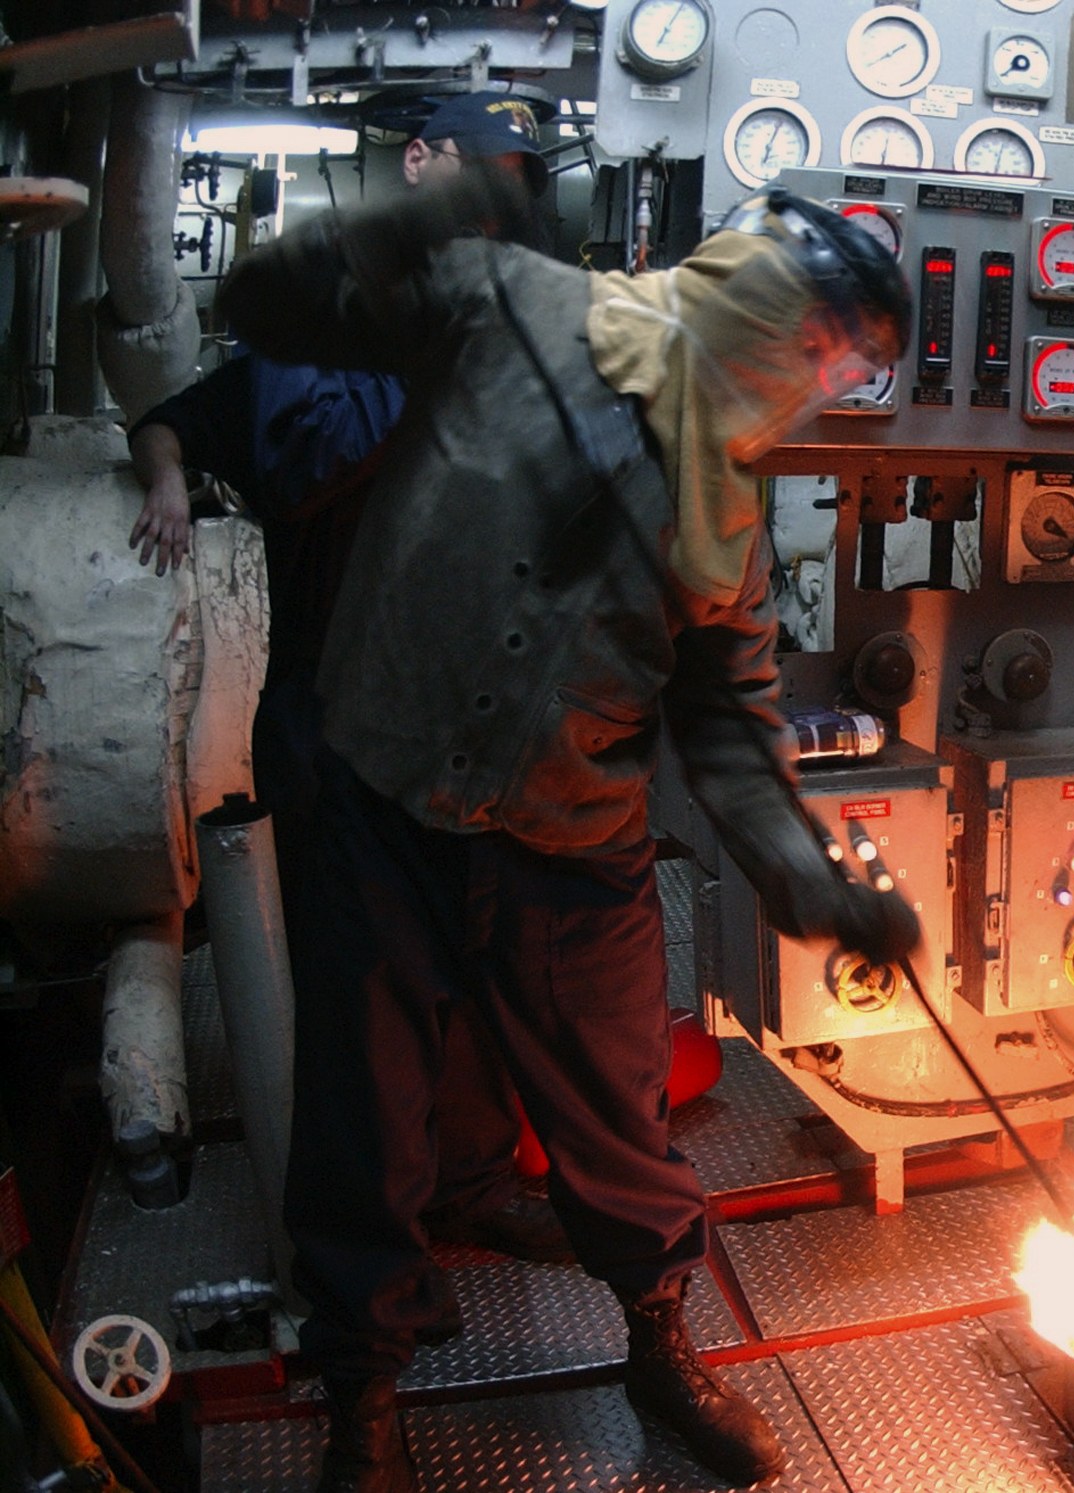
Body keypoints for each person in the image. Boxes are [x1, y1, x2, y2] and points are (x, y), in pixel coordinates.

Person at [214, 173, 916, 1491]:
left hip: (573, 842)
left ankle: (658, 1342)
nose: (819, 385)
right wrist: (407, 222)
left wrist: (820, 887)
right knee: (364, 1122)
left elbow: (728, 737)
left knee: (620, 1121)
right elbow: (261, 303)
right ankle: (363, 1394)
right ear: (759, 292)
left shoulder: (729, 519)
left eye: (843, 366)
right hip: (387, 805)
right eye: (826, 345)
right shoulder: (505, 303)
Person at [128, 93, 574, 1271]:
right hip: (343, 730)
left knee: (477, 982)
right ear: (422, 163)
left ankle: (470, 1186)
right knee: (365, 1013)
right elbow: (296, 459)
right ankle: (372, 1277)